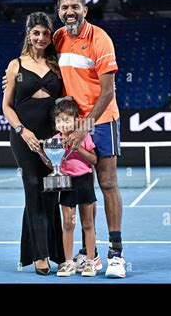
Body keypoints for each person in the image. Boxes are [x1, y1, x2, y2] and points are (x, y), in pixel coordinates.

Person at [3, 0, 126, 278]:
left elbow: (108, 93)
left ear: (85, 9)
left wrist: (83, 126)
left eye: (75, 7)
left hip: (101, 121)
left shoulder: (100, 39)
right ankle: (89, 255)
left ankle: (116, 254)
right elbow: (35, 64)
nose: (69, 12)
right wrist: (11, 81)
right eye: (64, 8)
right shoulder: (57, 37)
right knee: (78, 189)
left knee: (107, 183)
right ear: (58, 11)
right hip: (68, 126)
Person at [2, 11, 64, 275]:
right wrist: (22, 130)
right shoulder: (15, 65)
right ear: (28, 34)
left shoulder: (57, 64)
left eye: (45, 33)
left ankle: (56, 251)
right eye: (36, 33)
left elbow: (66, 103)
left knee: (51, 195)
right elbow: (6, 106)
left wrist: (62, 136)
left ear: (51, 36)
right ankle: (40, 256)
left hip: (53, 142)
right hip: (23, 138)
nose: (41, 38)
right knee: (32, 189)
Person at [52, 97, 98, 277]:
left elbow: (94, 160)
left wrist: (78, 148)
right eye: (59, 120)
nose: (62, 124)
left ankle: (90, 262)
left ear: (76, 120)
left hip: (84, 181)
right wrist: (49, 153)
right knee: (68, 223)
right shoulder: (55, 140)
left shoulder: (84, 136)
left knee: (88, 223)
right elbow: (51, 164)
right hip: (66, 183)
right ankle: (68, 262)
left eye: (66, 120)